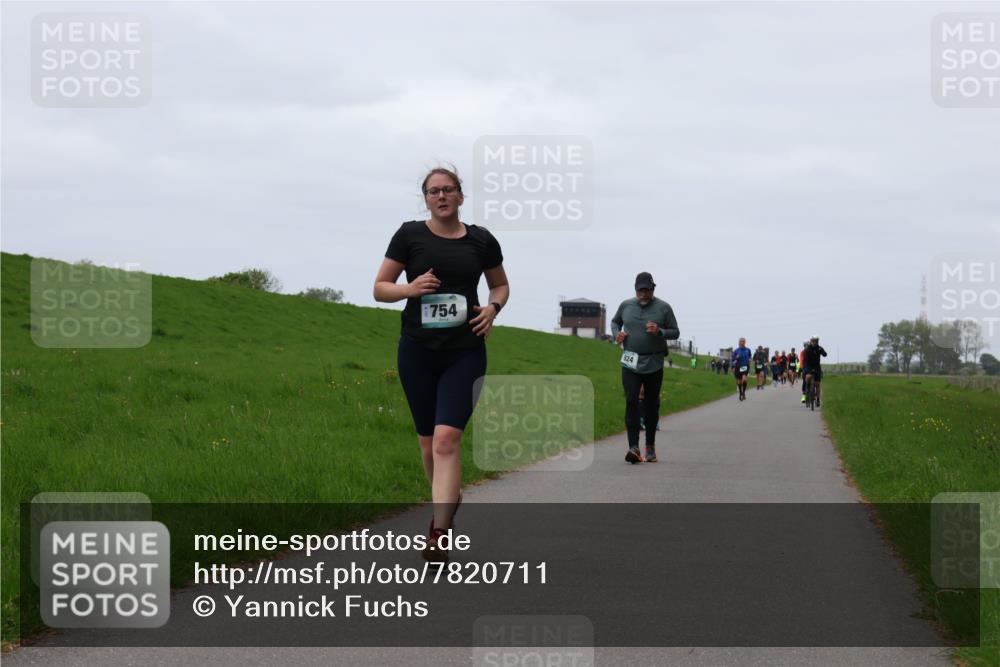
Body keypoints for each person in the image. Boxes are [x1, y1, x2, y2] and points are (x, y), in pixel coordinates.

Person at [373, 167, 509, 562]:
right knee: (428, 445)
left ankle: (438, 531)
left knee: (448, 439)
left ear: (461, 197)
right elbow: (380, 287)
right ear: (426, 199)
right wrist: (409, 289)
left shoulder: (482, 240)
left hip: (465, 351)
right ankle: (447, 504)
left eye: (448, 189)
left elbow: (500, 284)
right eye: (434, 192)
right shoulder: (409, 235)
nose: (441, 196)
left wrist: (493, 308)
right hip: (417, 351)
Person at [611, 272, 680, 464]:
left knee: (651, 404)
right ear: (635, 289)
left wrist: (659, 331)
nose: (643, 293)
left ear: (652, 289)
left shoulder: (663, 308)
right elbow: (615, 321)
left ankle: (650, 447)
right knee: (632, 400)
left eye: (646, 290)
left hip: (653, 361)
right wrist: (617, 334)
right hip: (630, 358)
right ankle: (633, 447)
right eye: (640, 290)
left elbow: (675, 332)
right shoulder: (626, 305)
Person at [801, 336, 828, 406]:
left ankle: (818, 399)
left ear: (817, 341)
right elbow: (806, 359)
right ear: (811, 341)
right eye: (813, 341)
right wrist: (806, 369)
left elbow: (825, 354)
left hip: (817, 367)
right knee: (807, 377)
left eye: (816, 341)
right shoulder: (808, 349)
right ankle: (807, 391)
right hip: (808, 366)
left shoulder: (819, 348)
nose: (814, 342)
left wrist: (822, 350)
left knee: (817, 384)